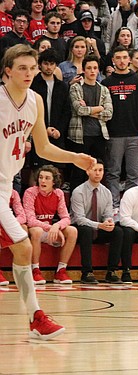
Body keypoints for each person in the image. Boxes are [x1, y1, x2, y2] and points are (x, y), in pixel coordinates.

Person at [1, 44, 95, 339]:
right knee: (24, 247)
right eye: (22, 69)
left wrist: (74, 158)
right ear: (7, 72)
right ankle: (35, 317)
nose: (29, 73)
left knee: (21, 248)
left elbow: (43, 147)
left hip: (6, 185)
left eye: (32, 68)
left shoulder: (36, 101)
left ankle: (34, 318)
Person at [103, 46, 138, 208]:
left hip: (136, 134)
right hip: (114, 135)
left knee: (133, 174)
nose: (122, 61)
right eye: (118, 58)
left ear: (129, 60)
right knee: (113, 173)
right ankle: (114, 206)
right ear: (113, 60)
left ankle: (129, 207)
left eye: (125, 57)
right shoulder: (106, 83)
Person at [71, 159, 127, 284]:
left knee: (118, 231)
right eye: (94, 170)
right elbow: (79, 219)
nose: (97, 173)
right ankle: (87, 272)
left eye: (100, 170)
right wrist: (100, 225)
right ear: (87, 171)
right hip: (80, 229)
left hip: (98, 227)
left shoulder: (106, 192)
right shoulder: (78, 192)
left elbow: (108, 214)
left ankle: (112, 271)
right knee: (86, 230)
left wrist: (108, 222)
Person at [23, 165, 78, 284]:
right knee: (36, 230)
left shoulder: (58, 193)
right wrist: (51, 227)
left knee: (72, 230)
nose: (43, 181)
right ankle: (35, 270)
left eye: (47, 178)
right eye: (41, 177)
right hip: (35, 230)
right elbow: (30, 220)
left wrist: (56, 226)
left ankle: (61, 271)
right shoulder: (30, 192)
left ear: (54, 182)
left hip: (51, 230)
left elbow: (66, 218)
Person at [67, 55, 112, 188]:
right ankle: (75, 206)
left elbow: (109, 114)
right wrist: (99, 108)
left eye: (95, 68)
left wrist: (89, 110)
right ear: (84, 70)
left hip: (99, 135)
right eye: (89, 68)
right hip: (80, 136)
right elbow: (79, 110)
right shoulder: (76, 88)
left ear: (98, 70)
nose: (92, 71)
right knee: (79, 173)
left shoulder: (103, 89)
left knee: (98, 171)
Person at [29, 48, 70, 169]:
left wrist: (59, 130)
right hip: (37, 133)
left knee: (58, 169)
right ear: (40, 65)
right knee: (37, 170)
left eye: (52, 64)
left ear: (56, 66)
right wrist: (42, 129)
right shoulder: (33, 84)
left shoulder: (62, 86)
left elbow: (66, 111)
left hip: (57, 134)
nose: (48, 67)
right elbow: (30, 109)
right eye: (46, 63)